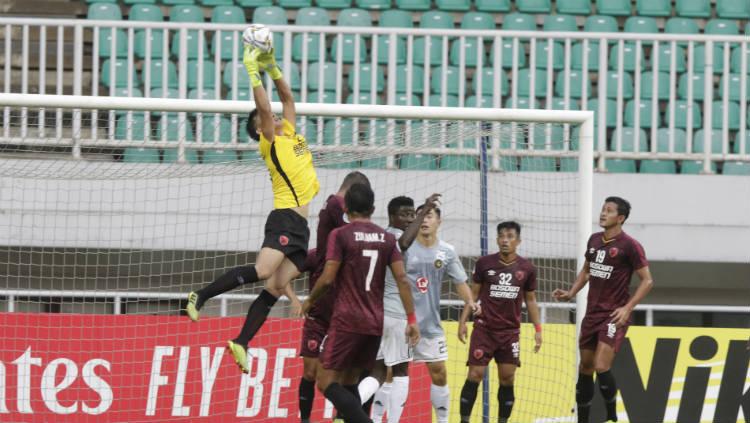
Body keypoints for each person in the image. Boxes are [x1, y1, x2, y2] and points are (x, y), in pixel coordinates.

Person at [185, 45, 320, 373]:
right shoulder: (269, 141)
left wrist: (273, 67)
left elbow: (286, 100)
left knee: (274, 287)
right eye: (267, 118)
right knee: (262, 271)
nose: (273, 116)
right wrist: (252, 72)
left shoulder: (289, 133)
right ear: (260, 129)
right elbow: (265, 106)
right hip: (285, 218)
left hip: (302, 227)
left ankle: (242, 342)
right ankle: (200, 296)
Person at [302, 183, 420, 423]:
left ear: (346, 208)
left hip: (347, 319)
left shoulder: (340, 235)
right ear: (373, 208)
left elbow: (327, 278)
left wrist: (309, 301)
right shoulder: (387, 239)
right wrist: (411, 319)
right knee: (350, 383)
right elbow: (402, 280)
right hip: (374, 322)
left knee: (326, 383)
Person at [553, 196, 653, 423]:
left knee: (600, 365)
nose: (602, 213)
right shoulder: (594, 240)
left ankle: (611, 410)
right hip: (592, 314)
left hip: (613, 315)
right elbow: (587, 271)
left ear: (620, 218)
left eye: (608, 210)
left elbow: (647, 281)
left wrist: (627, 308)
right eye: (602, 209)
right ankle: (583, 419)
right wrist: (571, 292)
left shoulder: (630, 245)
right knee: (585, 366)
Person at [389, 203, 478, 423]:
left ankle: (443, 420)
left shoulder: (446, 251)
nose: (425, 220)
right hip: (402, 323)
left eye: (429, 216)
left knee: (439, 372)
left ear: (439, 221)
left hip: (429, 325)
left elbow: (460, 282)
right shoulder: (405, 248)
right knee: (390, 375)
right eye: (421, 217)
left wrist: (470, 301)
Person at [357, 194, 440, 423]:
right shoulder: (396, 239)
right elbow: (402, 243)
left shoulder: (378, 237)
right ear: (392, 216)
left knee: (379, 371)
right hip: (395, 314)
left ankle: (348, 410)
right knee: (402, 370)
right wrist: (424, 213)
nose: (410, 218)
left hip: (375, 313)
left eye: (412, 213)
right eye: (405, 214)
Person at [298, 172, 371, 423]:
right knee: (312, 373)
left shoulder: (338, 214)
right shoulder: (334, 205)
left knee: (349, 375)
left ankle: (345, 418)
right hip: (322, 303)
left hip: (343, 304)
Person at [458, 221, 542, 423]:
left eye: (510, 236)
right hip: (484, 329)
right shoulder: (484, 263)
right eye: (502, 236)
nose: (505, 240)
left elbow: (530, 300)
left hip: (510, 333)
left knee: (507, 378)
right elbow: (474, 294)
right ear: (497, 239)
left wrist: (538, 329)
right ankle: (464, 420)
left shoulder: (527, 268)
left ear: (518, 241)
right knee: (475, 374)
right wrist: (463, 321)